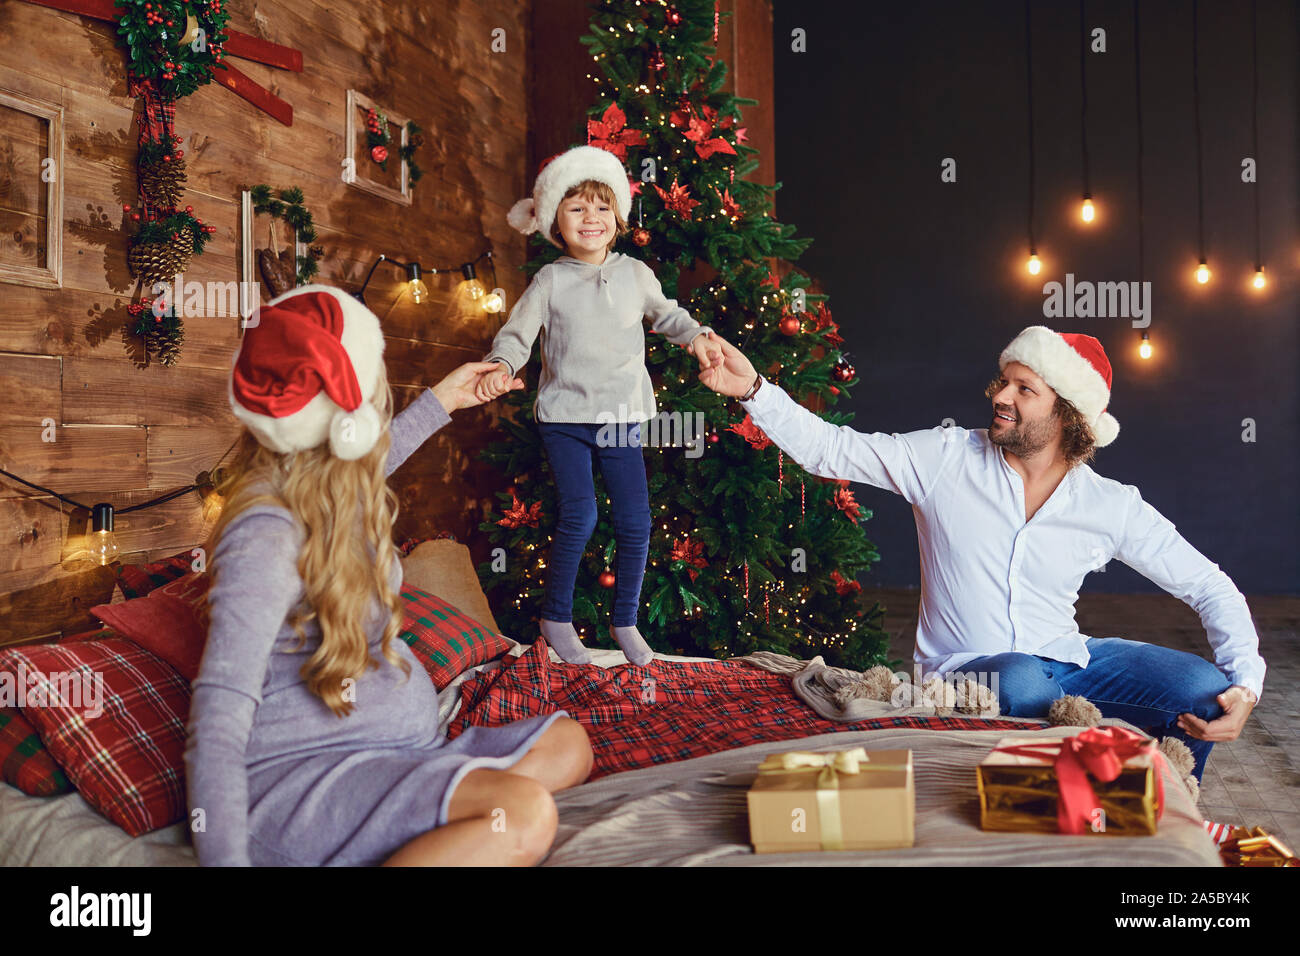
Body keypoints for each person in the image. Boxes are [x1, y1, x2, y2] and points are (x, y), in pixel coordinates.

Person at [697, 324, 1265, 781]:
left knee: (1204, 690)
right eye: (1003, 382)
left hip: (1066, 661)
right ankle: (1064, 793)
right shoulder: (946, 458)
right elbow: (831, 450)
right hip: (968, 671)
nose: (1000, 396)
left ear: (1068, 415)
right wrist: (754, 390)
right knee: (1021, 684)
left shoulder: (1107, 504)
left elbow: (1208, 585)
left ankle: (1168, 801)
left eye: (1024, 389)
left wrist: (1245, 683)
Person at [184, 284, 593, 867]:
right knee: (526, 815)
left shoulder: (336, 488)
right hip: (311, 778)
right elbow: (219, 717)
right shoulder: (265, 533)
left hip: (403, 753)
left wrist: (446, 399)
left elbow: (380, 456)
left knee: (568, 745)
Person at [476, 145, 722, 665]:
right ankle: (556, 619)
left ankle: (626, 621)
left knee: (636, 521)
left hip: (622, 419)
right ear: (553, 223)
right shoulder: (550, 280)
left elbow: (667, 314)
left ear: (618, 216)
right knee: (581, 515)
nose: (591, 219)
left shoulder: (635, 274)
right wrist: (502, 365)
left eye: (602, 207)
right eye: (576, 208)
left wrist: (696, 334)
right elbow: (518, 336)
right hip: (565, 419)